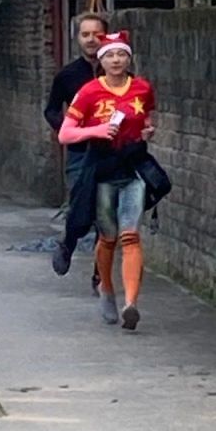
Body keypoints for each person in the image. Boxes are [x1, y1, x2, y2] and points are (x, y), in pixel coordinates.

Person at [54, 30, 171, 332]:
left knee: (130, 235)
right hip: (102, 168)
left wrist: (148, 131)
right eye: (110, 55)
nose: (116, 60)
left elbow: (147, 119)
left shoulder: (142, 88)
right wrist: (96, 131)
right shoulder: (90, 92)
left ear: (129, 59)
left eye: (121, 54)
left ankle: (131, 304)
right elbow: (65, 134)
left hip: (133, 166)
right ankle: (106, 288)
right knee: (108, 237)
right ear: (101, 61)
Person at [44, 11, 107, 293]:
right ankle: (68, 243)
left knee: (106, 214)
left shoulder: (118, 74)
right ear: (77, 38)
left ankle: (100, 274)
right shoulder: (68, 76)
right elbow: (51, 110)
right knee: (81, 209)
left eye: (97, 34)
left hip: (111, 153)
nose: (91, 39)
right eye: (85, 34)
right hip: (81, 152)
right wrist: (68, 129)